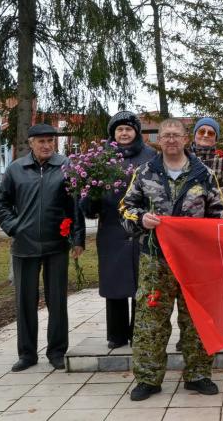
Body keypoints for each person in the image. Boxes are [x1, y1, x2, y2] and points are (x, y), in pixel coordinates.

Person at [119, 118, 223, 401]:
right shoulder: (144, 173)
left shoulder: (203, 174)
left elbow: (219, 214)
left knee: (197, 320)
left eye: (176, 135)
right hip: (156, 259)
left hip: (195, 262)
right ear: (159, 140)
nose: (170, 140)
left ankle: (198, 375)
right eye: (165, 135)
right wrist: (141, 218)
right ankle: (148, 379)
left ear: (185, 139)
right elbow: (126, 209)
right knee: (150, 320)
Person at [0, 123, 85, 372]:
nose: (46, 145)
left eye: (50, 141)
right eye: (41, 141)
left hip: (57, 243)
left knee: (57, 300)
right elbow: (0, 203)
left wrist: (77, 239)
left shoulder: (66, 167)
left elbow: (75, 206)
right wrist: (14, 226)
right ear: (31, 143)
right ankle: (27, 354)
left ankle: (56, 351)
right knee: (25, 301)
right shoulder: (16, 169)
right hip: (24, 245)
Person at [80, 111, 155, 350]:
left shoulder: (151, 157)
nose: (124, 133)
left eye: (128, 129)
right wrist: (89, 201)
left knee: (142, 282)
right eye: (119, 129)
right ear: (112, 134)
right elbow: (87, 192)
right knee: (115, 283)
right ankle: (116, 334)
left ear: (136, 132)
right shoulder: (100, 158)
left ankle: (139, 332)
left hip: (143, 228)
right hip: (112, 227)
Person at [190, 116, 223, 205]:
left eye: (211, 133)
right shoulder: (182, 157)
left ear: (215, 139)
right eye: (201, 131)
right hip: (184, 214)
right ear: (195, 135)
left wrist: (206, 194)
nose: (205, 135)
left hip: (213, 213)